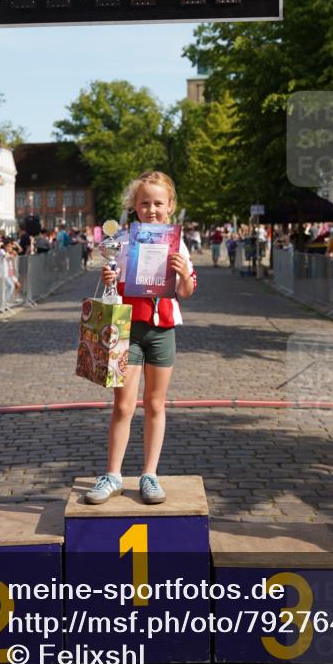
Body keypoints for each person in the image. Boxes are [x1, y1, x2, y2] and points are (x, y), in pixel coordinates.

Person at [86, 171, 196, 508]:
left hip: (162, 329)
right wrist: (109, 277)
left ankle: (150, 474)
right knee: (122, 405)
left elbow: (186, 292)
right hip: (128, 329)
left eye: (158, 203)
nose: (151, 209)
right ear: (134, 206)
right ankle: (113, 475)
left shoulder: (178, 243)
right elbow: (113, 286)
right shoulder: (122, 240)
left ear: (170, 206)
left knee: (156, 404)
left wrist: (181, 273)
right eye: (145, 203)